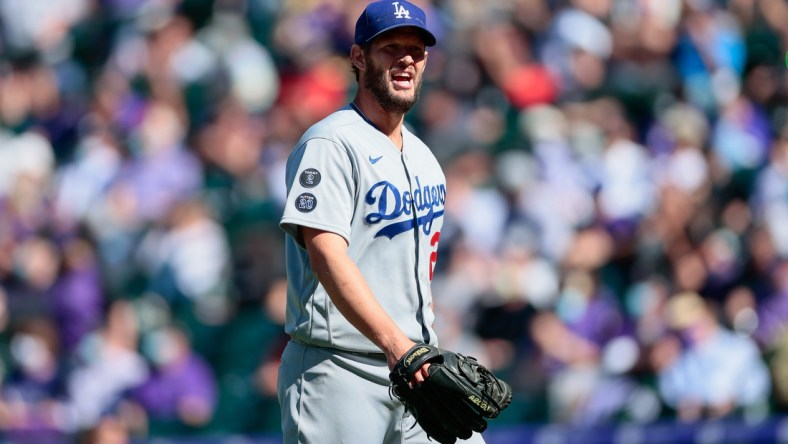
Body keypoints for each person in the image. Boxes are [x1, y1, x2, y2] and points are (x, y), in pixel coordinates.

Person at [277, 1, 484, 442]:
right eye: (391, 48)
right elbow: (326, 254)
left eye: (417, 49)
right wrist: (396, 344)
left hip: (417, 370)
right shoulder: (330, 144)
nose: (407, 58)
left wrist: (419, 348)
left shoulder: (426, 159)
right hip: (337, 372)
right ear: (358, 57)